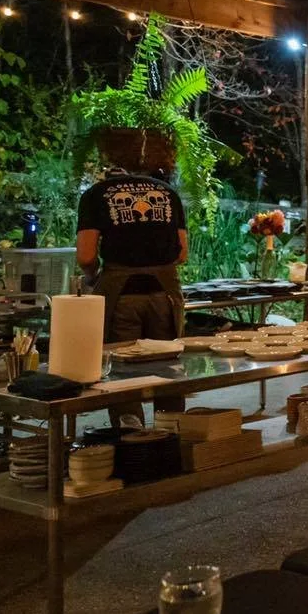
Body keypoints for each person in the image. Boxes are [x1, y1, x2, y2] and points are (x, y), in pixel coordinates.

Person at [76, 162, 189, 425]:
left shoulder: (95, 195)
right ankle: (171, 435)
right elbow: (182, 252)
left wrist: (92, 276)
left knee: (122, 374)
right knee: (169, 371)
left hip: (121, 298)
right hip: (165, 295)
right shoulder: (167, 191)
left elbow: (86, 254)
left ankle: (132, 441)